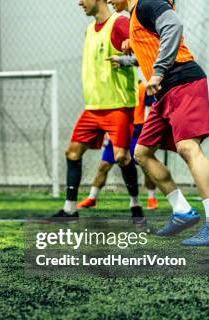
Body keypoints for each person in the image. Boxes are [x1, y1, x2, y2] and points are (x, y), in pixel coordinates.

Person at [110, 0, 209, 245]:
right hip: (164, 91)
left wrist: (158, 71)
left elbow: (173, 26)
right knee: (142, 153)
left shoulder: (147, 3)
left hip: (183, 81)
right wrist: (127, 60)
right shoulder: (136, 16)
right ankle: (182, 211)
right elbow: (153, 50)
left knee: (188, 147)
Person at [51, 0, 144, 224]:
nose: (80, 2)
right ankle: (70, 210)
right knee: (72, 153)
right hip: (93, 108)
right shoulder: (89, 31)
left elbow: (144, 55)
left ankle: (136, 205)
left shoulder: (120, 23)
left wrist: (123, 60)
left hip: (118, 106)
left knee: (122, 157)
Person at [77, 81, 159, 210]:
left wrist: (150, 131)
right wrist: (105, 132)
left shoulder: (143, 88)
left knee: (146, 166)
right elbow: (107, 111)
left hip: (138, 132)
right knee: (104, 165)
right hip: (118, 130)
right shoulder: (113, 88)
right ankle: (92, 198)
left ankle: (151, 198)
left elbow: (151, 110)